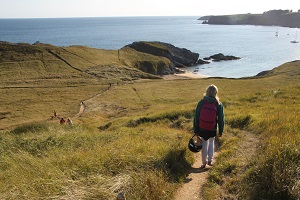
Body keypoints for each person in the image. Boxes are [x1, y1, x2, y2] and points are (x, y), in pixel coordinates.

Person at [193, 84, 225, 169]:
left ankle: (203, 163)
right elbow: (221, 119)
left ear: (207, 92)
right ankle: (210, 161)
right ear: (216, 93)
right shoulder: (218, 104)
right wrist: (221, 130)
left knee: (204, 144)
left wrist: (195, 129)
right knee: (211, 142)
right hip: (212, 128)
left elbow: (196, 116)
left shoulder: (201, 102)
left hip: (202, 128)